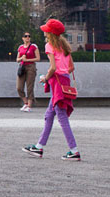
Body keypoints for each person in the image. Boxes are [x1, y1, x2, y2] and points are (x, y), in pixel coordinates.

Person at [23, 18, 81, 161]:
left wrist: (45, 78)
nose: (45, 33)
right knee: (49, 115)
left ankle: (74, 150)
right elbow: (71, 67)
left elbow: (53, 68)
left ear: (50, 33)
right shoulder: (65, 46)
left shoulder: (49, 46)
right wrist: (61, 71)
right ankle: (39, 147)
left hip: (57, 83)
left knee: (61, 117)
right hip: (65, 82)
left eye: (46, 31)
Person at [16, 31, 40, 111]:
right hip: (22, 67)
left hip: (31, 66)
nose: (27, 38)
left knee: (29, 87)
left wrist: (27, 59)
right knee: (19, 87)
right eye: (25, 36)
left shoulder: (33, 46)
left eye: (29, 36)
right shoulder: (20, 47)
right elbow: (17, 59)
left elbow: (38, 58)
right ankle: (25, 103)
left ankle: (29, 106)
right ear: (22, 38)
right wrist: (21, 58)